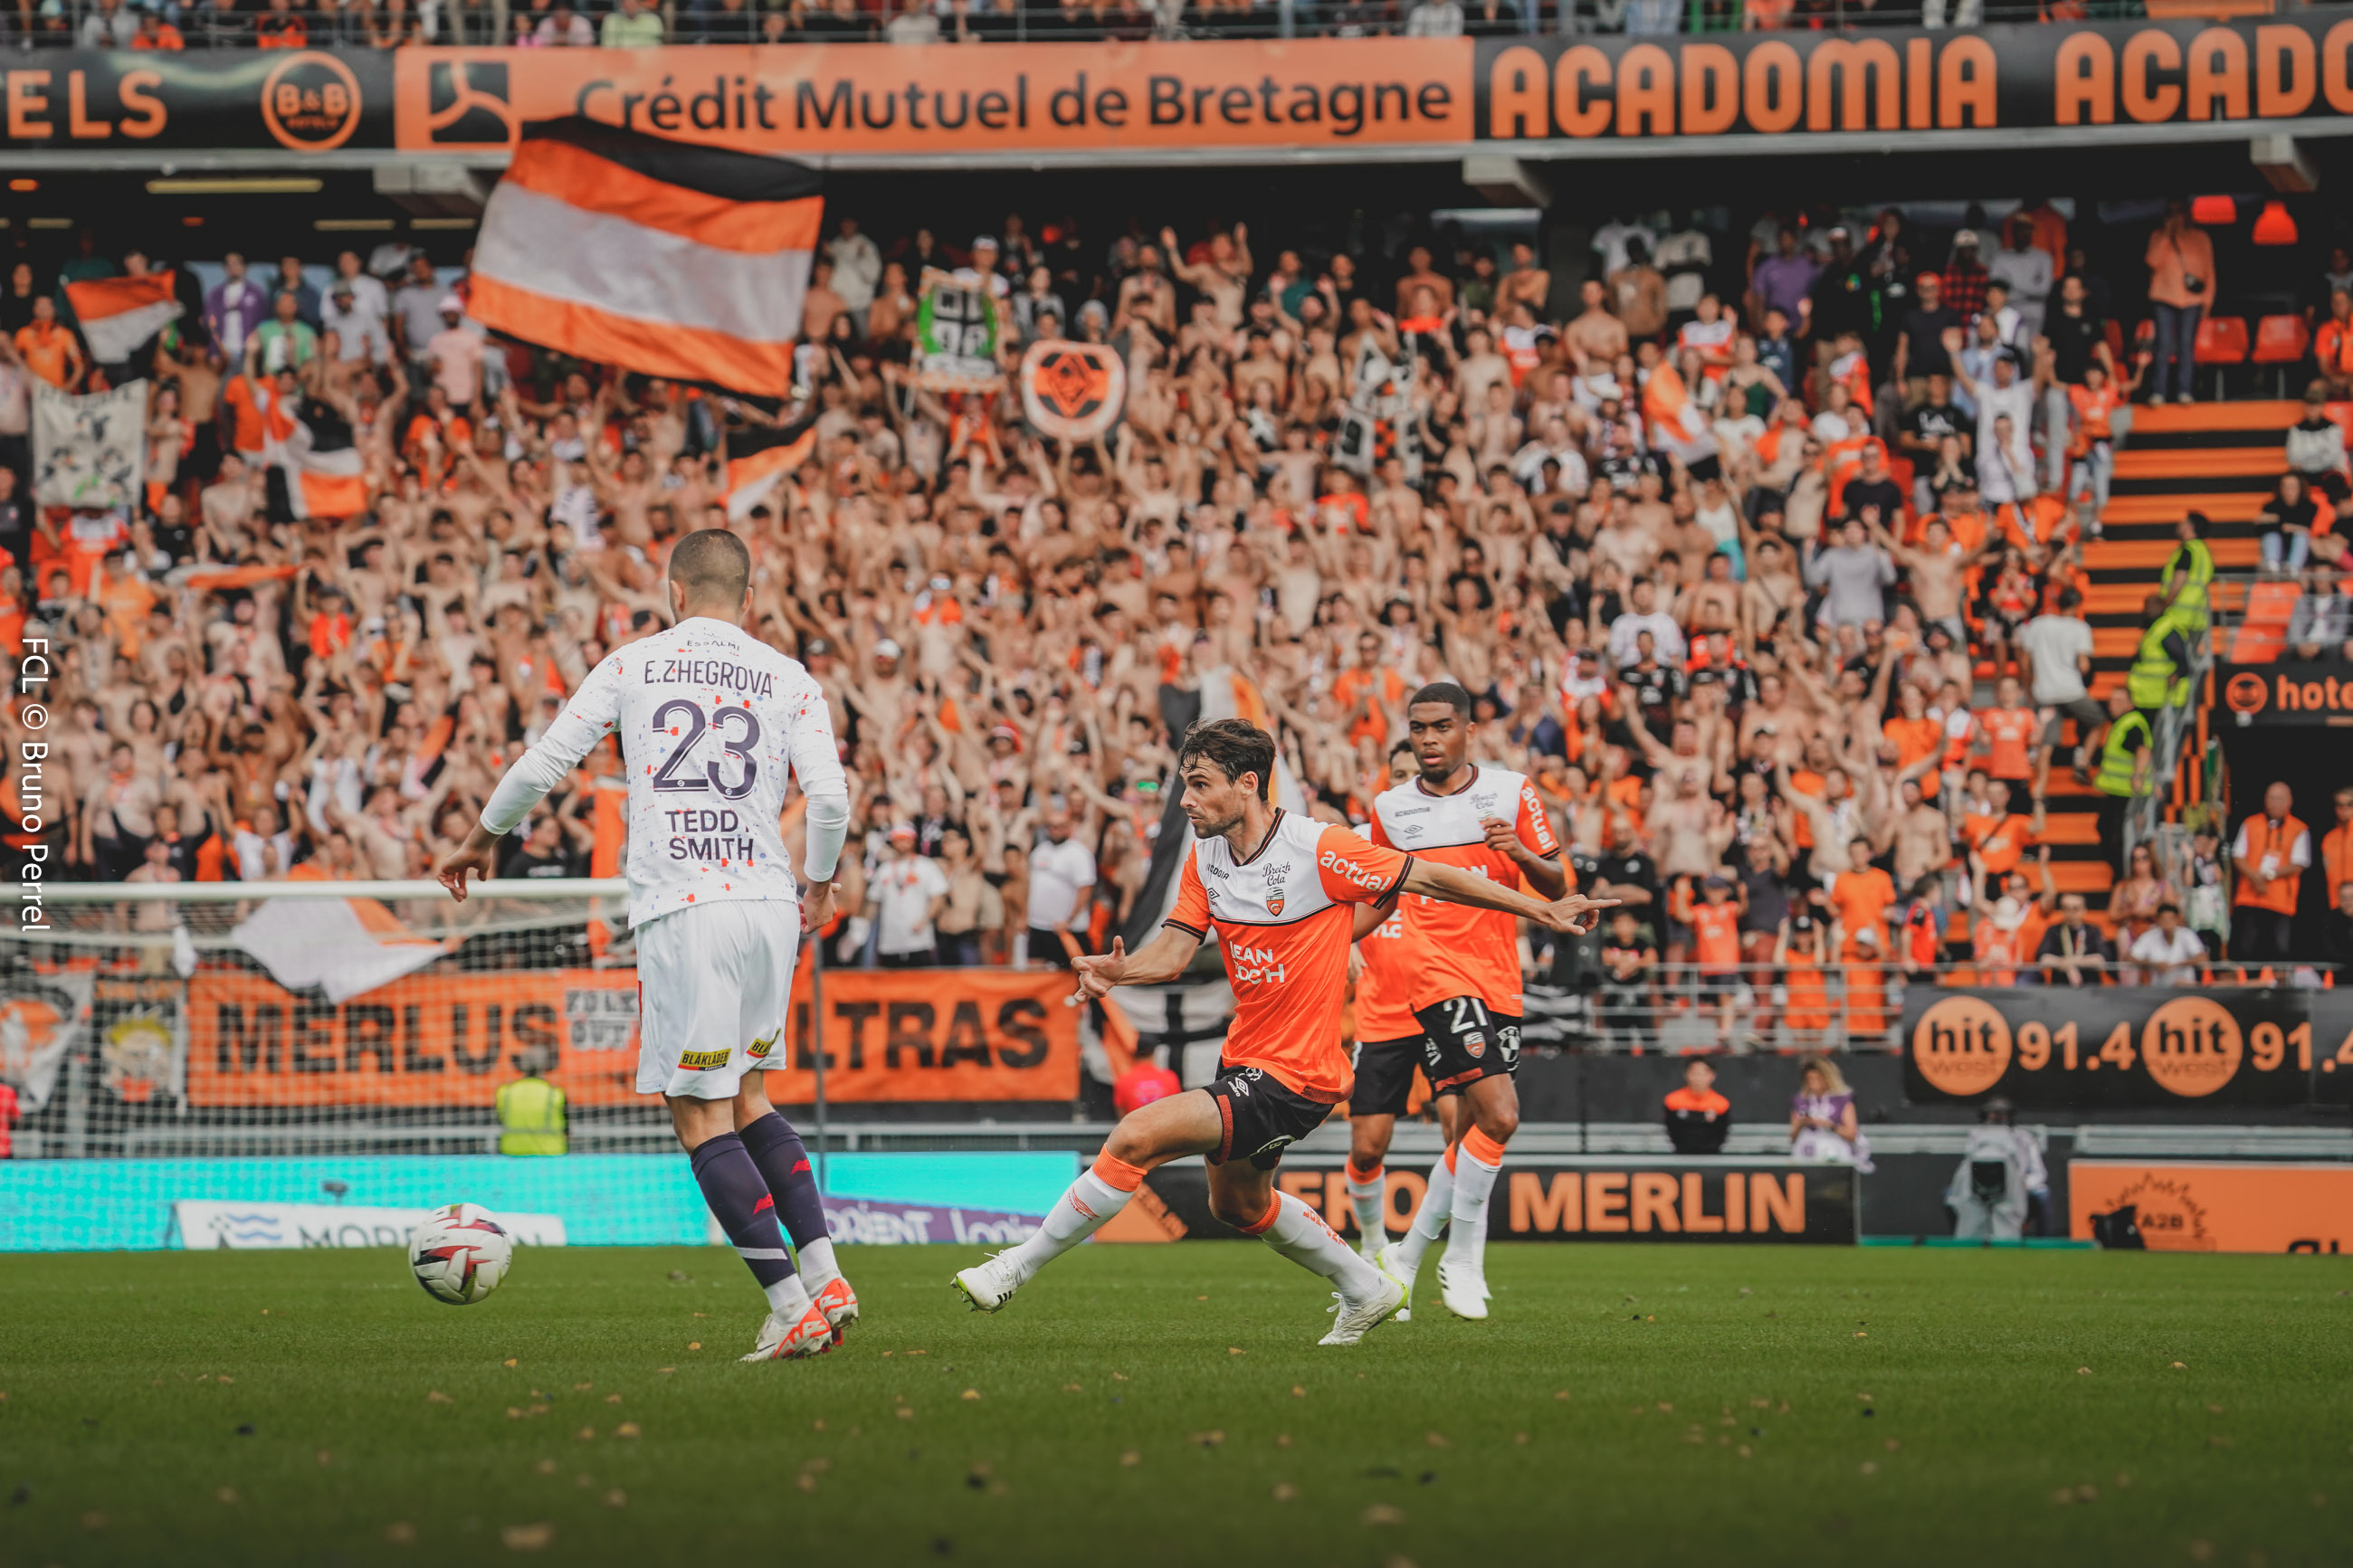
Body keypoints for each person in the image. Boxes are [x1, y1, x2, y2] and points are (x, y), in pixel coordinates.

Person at [949, 718, 1615, 1345]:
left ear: (1247, 783)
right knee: (1239, 1203)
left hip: (1299, 1074)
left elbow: (1430, 876)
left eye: (1200, 783)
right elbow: (1174, 951)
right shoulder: (1206, 859)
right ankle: (1365, 1286)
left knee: (1134, 1136)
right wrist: (1119, 972)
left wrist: (1542, 907)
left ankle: (1014, 1267)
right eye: (1185, 782)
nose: (1186, 799)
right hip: (1248, 1062)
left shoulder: (1319, 847)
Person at [437, 529, 856, 1364]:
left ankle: (789, 1306)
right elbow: (832, 799)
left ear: (672, 593)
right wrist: (819, 881)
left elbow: (545, 761)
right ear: (750, 597)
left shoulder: (635, 663)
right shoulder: (789, 675)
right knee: (752, 1097)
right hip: (771, 905)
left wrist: (484, 835)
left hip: (685, 904)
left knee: (694, 1110)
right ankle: (827, 1274)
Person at [1367, 683, 1569, 1320]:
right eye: (1418, 728)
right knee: (1502, 1115)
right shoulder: (1389, 808)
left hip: (1499, 974)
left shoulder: (1512, 792)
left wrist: (1521, 853)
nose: (1429, 739)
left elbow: (1558, 880)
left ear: (1468, 731)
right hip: (1433, 972)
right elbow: (1378, 896)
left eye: (1441, 727)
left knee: (1484, 1124)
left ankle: (1409, 1252)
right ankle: (1462, 1254)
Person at [1342, 743, 1432, 1262]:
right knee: (1368, 1147)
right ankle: (1376, 1244)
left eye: (1413, 775)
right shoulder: (1357, 843)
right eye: (1396, 774)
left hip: (1443, 1003)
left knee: (1457, 1131)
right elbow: (1326, 901)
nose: (1404, 784)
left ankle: (1438, 1254)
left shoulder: (1447, 839)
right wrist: (1349, 940)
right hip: (1381, 1016)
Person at [2146, 198, 2215, 405]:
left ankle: (2184, 390)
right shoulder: (2158, 236)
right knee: (2163, 345)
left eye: (2179, 212)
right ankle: (2159, 391)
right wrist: (2168, 234)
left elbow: (2209, 270)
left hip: (2192, 299)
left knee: (2187, 345)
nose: (2176, 217)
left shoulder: (2200, 237)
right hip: (2163, 297)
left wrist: (2207, 301)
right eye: (2171, 213)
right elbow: (2152, 261)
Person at [2230, 783, 2309, 964]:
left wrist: (2268, 876)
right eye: (2271, 798)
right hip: (2250, 896)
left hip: (2279, 900)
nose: (2274, 803)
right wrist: (2255, 877)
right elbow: (2238, 855)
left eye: (2279, 798)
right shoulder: (2250, 823)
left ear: (2290, 802)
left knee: (2280, 947)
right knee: (2246, 946)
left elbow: (2299, 863)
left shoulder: (2299, 829)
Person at [1024, 801, 1095, 968]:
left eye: (1060, 826)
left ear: (1069, 827)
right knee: (1036, 968)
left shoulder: (1078, 853)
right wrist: (1024, 915)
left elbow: (1085, 889)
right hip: (1038, 924)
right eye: (1051, 826)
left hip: (1066, 927)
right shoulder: (1040, 850)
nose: (1055, 830)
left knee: (1073, 969)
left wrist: (1069, 919)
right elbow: (1031, 884)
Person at [869, 821, 948, 967]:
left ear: (913, 841)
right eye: (897, 840)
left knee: (922, 983)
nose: (901, 844)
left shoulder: (927, 866)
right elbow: (874, 902)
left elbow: (938, 897)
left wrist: (925, 920)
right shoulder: (884, 869)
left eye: (905, 839)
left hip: (919, 941)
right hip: (889, 942)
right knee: (891, 985)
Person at [1788, 1054, 1871, 1171]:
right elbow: (1792, 1138)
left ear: (1827, 1078)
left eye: (1817, 1078)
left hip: (1836, 1149)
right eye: (1809, 1079)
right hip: (1808, 1151)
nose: (1813, 1083)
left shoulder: (1842, 1100)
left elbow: (1852, 1135)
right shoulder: (1801, 1101)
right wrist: (1803, 1122)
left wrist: (1828, 1125)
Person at [495, 1050, 568, 1155]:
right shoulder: (555, 1094)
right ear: (544, 1067)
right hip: (550, 1154)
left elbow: (500, 1120)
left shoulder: (505, 1093)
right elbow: (567, 1129)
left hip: (512, 1153)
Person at [2035, 893, 2110, 986]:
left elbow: (2102, 959)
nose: (2071, 913)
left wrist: (2068, 963)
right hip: (2060, 988)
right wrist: (2069, 968)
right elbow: (2043, 958)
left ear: (2084, 910)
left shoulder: (2093, 931)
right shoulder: (2053, 931)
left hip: (2090, 988)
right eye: (2066, 908)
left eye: (2075, 909)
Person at [1663, 1056, 1731, 1155]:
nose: (1699, 1078)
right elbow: (1672, 1130)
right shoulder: (1673, 1100)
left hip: (1710, 1156)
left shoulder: (1721, 1103)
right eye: (1695, 1073)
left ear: (1712, 1076)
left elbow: (1721, 1134)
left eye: (1703, 1074)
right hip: (1682, 1155)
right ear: (1687, 1074)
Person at [2129, 902, 2206, 986]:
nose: (2167, 923)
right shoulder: (2149, 936)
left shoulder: (2187, 934)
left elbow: (2202, 957)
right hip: (2159, 989)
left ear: (2177, 919)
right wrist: (2154, 964)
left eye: (2171, 919)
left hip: (2185, 988)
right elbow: (2131, 957)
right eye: (2164, 919)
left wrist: (2176, 965)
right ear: (2157, 920)